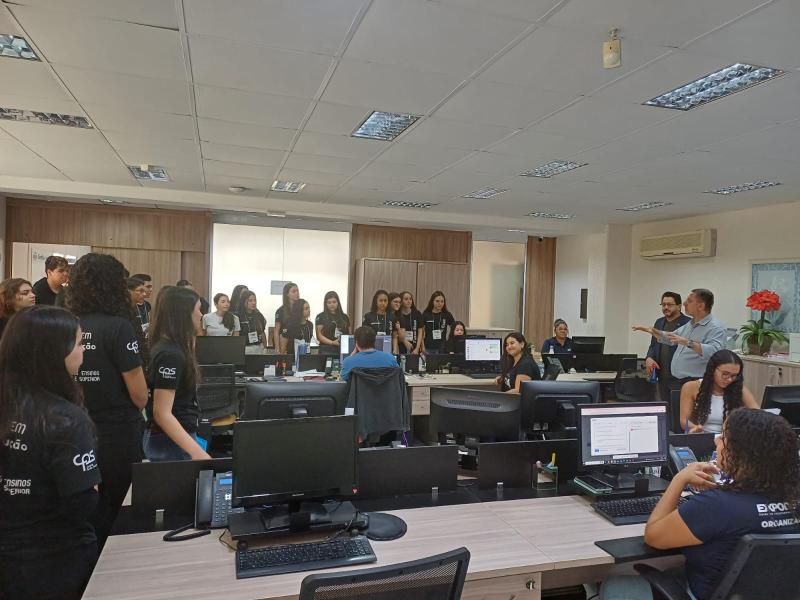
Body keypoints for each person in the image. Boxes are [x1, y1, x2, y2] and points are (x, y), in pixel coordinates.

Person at [641, 409, 800, 600]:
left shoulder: (715, 505)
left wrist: (679, 479)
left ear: (742, 453)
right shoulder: (793, 500)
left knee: (627, 581)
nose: (716, 440)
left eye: (724, 437)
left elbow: (654, 536)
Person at [0, 306, 100, 600]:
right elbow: (83, 502)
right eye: (79, 344)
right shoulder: (65, 419)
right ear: (55, 353)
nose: (83, 351)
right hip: (56, 558)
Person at [66, 253, 148, 549]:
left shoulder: (65, 323)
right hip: (117, 431)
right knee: (116, 506)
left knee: (85, 506)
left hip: (75, 429)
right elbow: (139, 395)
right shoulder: (119, 327)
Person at [144, 286, 210, 462]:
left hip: (176, 437)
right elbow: (162, 413)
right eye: (198, 309)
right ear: (184, 314)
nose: (201, 315)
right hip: (170, 442)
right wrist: (198, 454)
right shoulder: (170, 355)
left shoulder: (172, 348)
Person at [633, 288, 726, 395]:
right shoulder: (691, 324)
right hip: (677, 381)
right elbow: (672, 338)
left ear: (700, 306)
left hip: (696, 382)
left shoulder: (715, 328)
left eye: (689, 301)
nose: (685, 303)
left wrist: (687, 342)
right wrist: (654, 332)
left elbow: (715, 353)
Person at [680, 350, 758, 434]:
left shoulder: (739, 390)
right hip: (700, 435)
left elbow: (758, 415)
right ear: (713, 369)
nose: (729, 379)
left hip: (727, 437)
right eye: (725, 374)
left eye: (734, 375)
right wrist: (696, 428)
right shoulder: (691, 387)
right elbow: (684, 421)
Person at [644, 291, 691, 402]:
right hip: (662, 377)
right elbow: (653, 345)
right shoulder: (659, 322)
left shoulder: (689, 324)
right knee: (665, 408)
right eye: (663, 304)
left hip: (680, 379)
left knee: (679, 410)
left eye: (669, 305)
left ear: (679, 306)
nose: (666, 307)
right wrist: (649, 358)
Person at [363, 289, 399, 353]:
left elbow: (394, 336)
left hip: (388, 349)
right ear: (376, 302)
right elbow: (365, 335)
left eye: (385, 301)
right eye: (381, 300)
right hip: (372, 349)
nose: (383, 303)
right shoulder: (368, 316)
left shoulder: (392, 317)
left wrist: (395, 349)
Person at [274, 282, 299, 352]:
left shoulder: (301, 309)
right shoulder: (280, 311)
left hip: (298, 343)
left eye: (297, 291)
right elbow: (276, 330)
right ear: (287, 294)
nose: (297, 293)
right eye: (293, 291)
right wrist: (277, 348)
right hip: (284, 344)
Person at [397, 291, 423, 355]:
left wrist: (417, 348)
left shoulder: (417, 313)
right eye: (406, 299)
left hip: (415, 347)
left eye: (410, 299)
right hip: (401, 346)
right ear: (401, 301)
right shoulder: (397, 314)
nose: (409, 301)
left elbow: (420, 332)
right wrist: (405, 341)